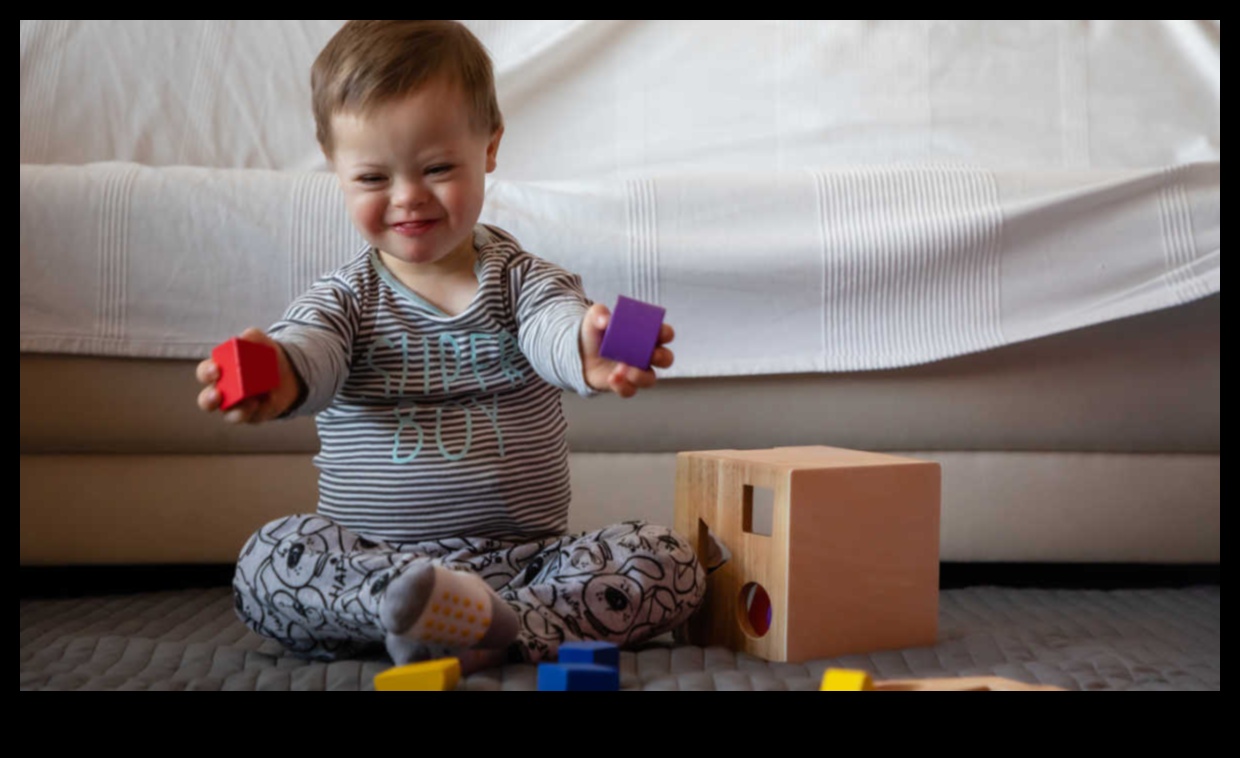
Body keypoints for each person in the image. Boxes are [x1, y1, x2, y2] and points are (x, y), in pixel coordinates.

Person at [195, 20, 704, 669]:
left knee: (668, 558)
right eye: (373, 178)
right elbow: (311, 351)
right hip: (375, 560)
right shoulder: (345, 299)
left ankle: (491, 623)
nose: (408, 197)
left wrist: (588, 345)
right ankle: (416, 610)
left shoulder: (521, 281)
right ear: (334, 165)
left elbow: (553, 324)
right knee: (267, 558)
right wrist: (275, 372)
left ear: (489, 147)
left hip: (524, 563)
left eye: (437, 168)